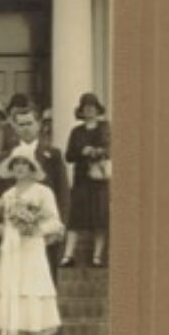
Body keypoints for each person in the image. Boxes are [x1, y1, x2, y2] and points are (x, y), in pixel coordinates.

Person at [0, 106, 69, 335]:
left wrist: (58, 229)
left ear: (38, 125)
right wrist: (1, 229)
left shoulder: (52, 154)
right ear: (14, 127)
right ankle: (18, 331)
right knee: (17, 282)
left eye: (29, 123)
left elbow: (63, 194)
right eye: (20, 124)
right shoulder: (9, 156)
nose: (25, 128)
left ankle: (49, 331)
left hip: (43, 231)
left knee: (45, 280)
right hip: (15, 237)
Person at [0, 145, 64, 335]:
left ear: (32, 167)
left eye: (25, 163)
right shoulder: (7, 195)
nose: (20, 168)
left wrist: (35, 228)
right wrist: (2, 230)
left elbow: (55, 223)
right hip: (12, 253)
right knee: (15, 296)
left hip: (32, 251)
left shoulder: (43, 192)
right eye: (16, 164)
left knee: (32, 296)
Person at [60, 93, 110, 268]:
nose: (89, 110)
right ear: (81, 111)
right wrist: (82, 152)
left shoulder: (105, 127)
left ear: (97, 109)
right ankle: (68, 255)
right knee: (76, 218)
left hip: (99, 179)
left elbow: (112, 148)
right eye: (86, 108)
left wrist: (98, 151)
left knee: (100, 217)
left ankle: (97, 257)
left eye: (92, 107)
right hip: (81, 179)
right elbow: (68, 156)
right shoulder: (76, 131)